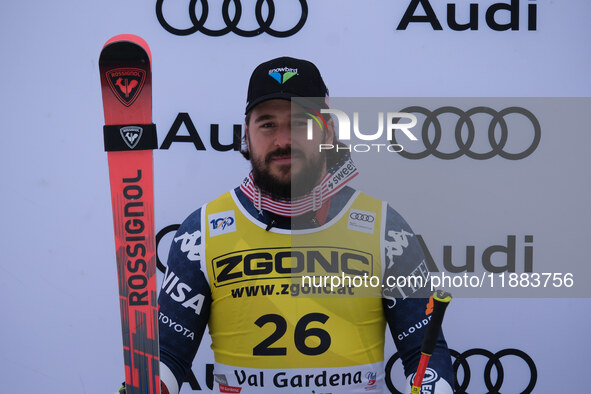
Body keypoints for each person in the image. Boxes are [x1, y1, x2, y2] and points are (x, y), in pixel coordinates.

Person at [130, 57, 455, 394]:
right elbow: (168, 353)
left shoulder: (386, 229)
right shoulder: (203, 232)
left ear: (328, 131)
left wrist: (434, 388)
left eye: (301, 123)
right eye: (267, 124)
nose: (283, 140)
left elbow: (423, 350)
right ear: (246, 135)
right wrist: (150, 385)